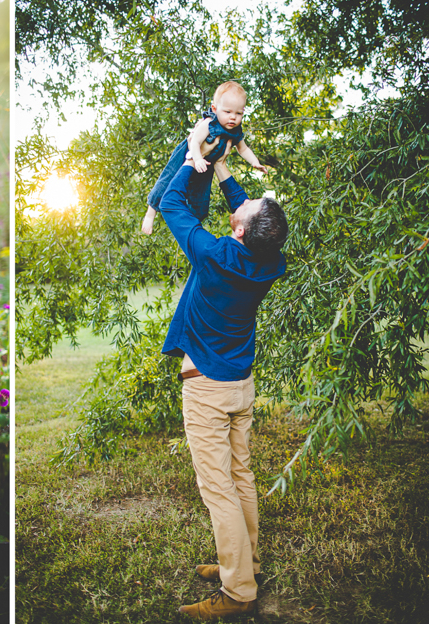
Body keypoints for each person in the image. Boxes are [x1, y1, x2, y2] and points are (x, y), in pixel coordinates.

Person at [156, 149, 287, 620]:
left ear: (238, 230)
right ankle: (246, 562)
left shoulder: (213, 255)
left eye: (243, 209)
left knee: (219, 490)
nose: (241, 203)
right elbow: (253, 214)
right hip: (240, 384)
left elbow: (172, 205)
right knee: (242, 476)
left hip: (208, 388)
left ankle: (238, 593)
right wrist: (225, 169)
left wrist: (193, 158)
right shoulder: (270, 260)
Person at [141, 81, 268, 235]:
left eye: (238, 113)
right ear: (215, 109)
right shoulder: (209, 123)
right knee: (167, 180)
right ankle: (150, 213)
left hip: (206, 165)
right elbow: (194, 141)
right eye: (227, 112)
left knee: (201, 200)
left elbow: (243, 148)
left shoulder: (235, 130)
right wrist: (198, 158)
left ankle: (190, 223)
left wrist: (255, 162)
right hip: (188, 156)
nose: (233, 118)